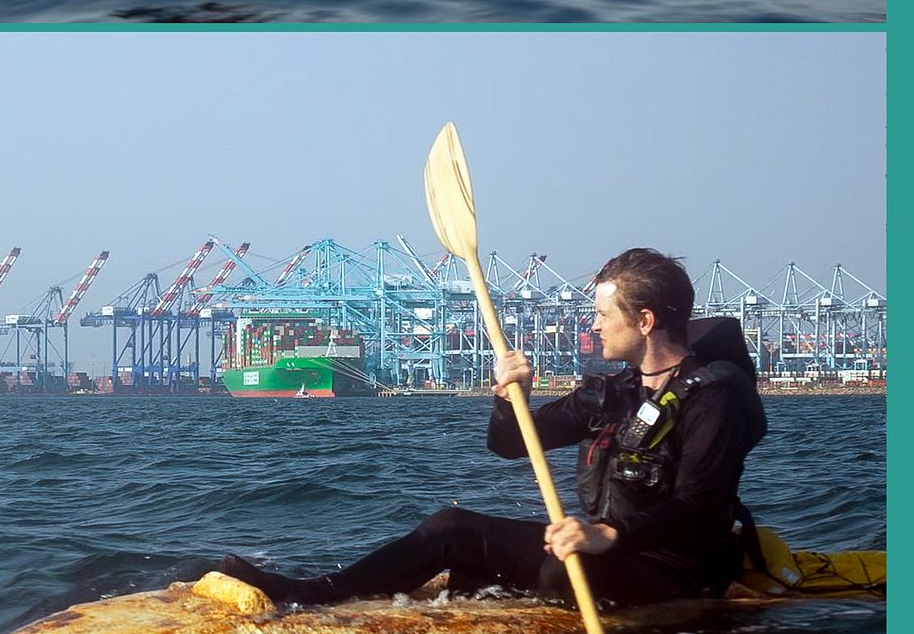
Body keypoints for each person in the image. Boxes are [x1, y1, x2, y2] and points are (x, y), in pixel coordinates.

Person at [222, 248, 768, 611]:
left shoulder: (714, 395)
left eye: (604, 315)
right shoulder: (616, 391)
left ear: (644, 321)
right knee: (452, 526)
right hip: (604, 548)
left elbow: (698, 504)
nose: (594, 324)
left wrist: (608, 536)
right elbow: (509, 444)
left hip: (678, 564)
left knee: (561, 573)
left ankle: (483, 589)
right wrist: (510, 400)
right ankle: (316, 595)